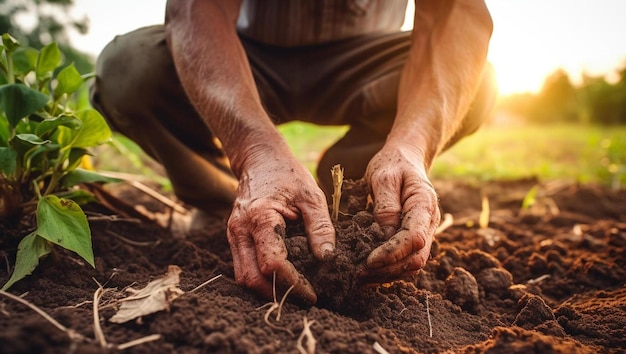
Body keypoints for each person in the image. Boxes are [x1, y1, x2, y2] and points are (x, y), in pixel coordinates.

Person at [91, 0, 497, 305]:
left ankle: (356, 203)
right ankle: (225, 204)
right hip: (243, 52)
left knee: (476, 83)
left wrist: (411, 145)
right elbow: (198, 8)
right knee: (131, 68)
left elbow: (455, 15)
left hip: (363, 58)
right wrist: (255, 151)